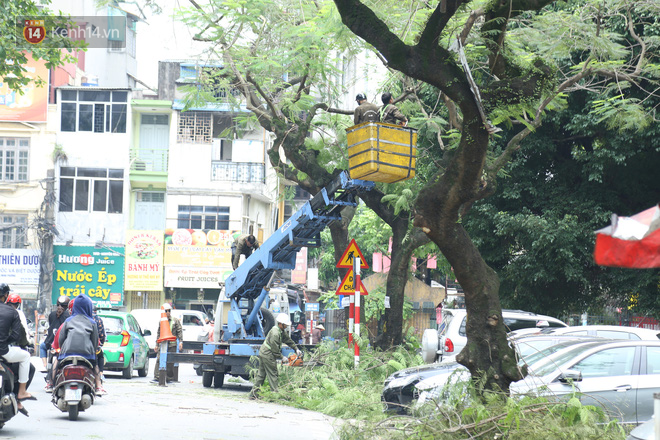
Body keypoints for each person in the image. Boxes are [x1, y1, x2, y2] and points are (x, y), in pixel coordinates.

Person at [249, 313, 302, 399]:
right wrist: (282, 357)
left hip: (264, 352)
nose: (286, 326)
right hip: (268, 354)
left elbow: (288, 340)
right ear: (281, 323)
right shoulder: (275, 333)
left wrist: (296, 349)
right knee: (273, 373)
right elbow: (274, 348)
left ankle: (253, 395)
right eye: (285, 324)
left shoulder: (280, 331)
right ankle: (275, 395)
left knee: (261, 375)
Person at [0, 283, 33, 416]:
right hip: (4, 351)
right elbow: (16, 335)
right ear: (6, 296)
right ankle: (22, 391)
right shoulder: (13, 312)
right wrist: (4, 342)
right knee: (25, 356)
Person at [57, 294, 99, 378]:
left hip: (66, 354)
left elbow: (61, 339)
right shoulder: (92, 322)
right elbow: (95, 341)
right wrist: (92, 352)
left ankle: (52, 384)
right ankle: (98, 386)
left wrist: (63, 350)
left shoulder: (68, 320)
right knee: (95, 366)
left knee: (57, 369)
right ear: (89, 307)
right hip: (87, 355)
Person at [152, 303, 183, 383]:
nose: (168, 312)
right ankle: (157, 377)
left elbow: (179, 331)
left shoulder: (175, 321)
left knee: (170, 362)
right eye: (166, 311)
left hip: (172, 345)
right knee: (159, 360)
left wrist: (181, 342)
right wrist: (156, 344)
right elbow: (159, 333)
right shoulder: (161, 321)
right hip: (162, 345)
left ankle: (169, 378)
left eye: (169, 311)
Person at [41, 295, 70, 370]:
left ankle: (45, 365)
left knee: (42, 346)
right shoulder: (69, 316)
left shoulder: (52, 315)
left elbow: (51, 326)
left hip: (50, 342)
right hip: (64, 344)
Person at [92, 304, 107, 394]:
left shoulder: (72, 319)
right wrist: (101, 343)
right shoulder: (97, 319)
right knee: (99, 357)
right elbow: (101, 334)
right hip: (93, 349)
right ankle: (100, 375)